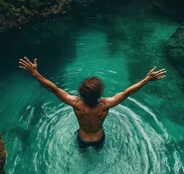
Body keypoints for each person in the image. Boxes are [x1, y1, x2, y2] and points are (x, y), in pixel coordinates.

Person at [19, 56, 166, 149]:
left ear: (81, 93)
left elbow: (53, 89)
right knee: (98, 150)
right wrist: (147, 79)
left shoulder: (76, 104)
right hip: (99, 138)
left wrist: (35, 73)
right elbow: (128, 92)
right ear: (99, 94)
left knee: (82, 153)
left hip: (82, 138)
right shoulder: (105, 105)